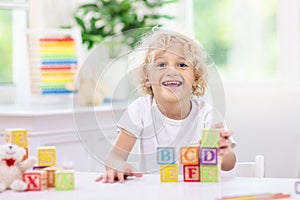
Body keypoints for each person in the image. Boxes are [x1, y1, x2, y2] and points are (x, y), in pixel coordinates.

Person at [95, 29, 236, 183]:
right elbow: (114, 157)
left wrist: (223, 152)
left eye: (182, 64)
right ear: (147, 76)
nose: (171, 71)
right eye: (161, 64)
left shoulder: (208, 114)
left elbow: (228, 164)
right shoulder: (141, 109)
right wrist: (118, 165)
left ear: (195, 77)